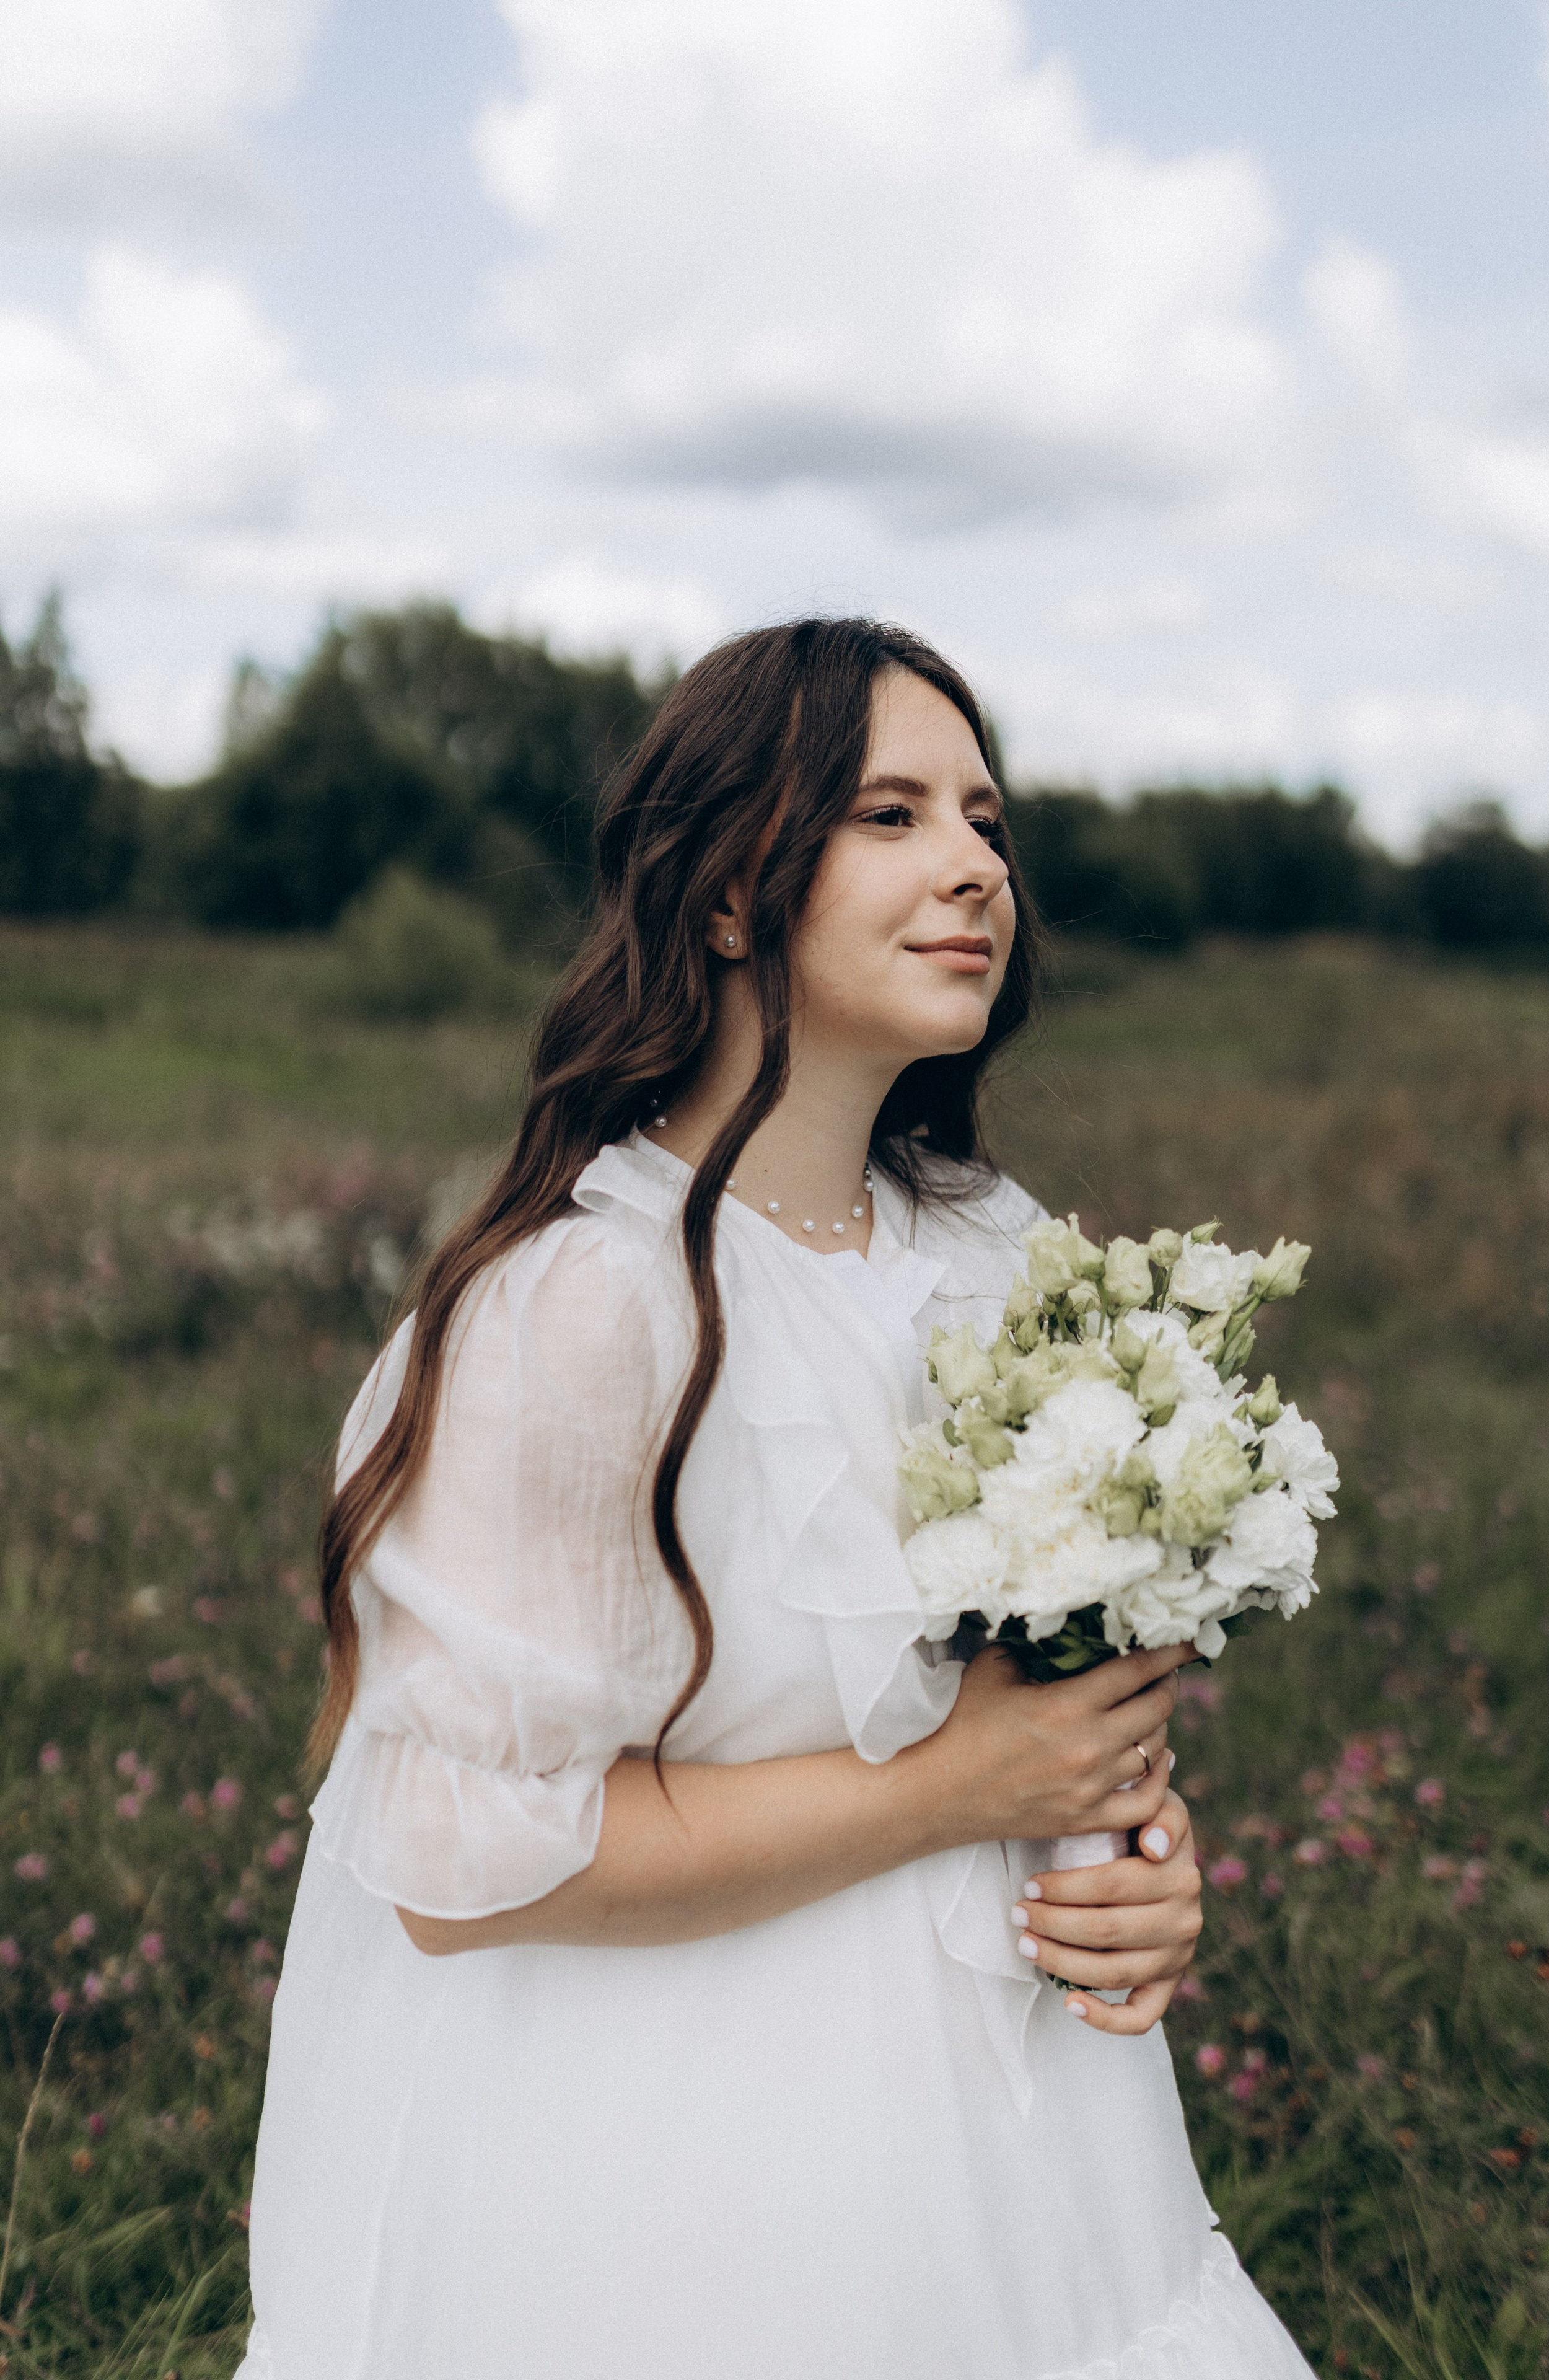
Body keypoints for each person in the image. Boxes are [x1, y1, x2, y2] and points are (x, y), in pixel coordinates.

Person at [235, 620, 1311, 2379]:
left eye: (987, 821)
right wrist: (958, 1789)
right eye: (889, 814)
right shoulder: (585, 1307)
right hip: (685, 2160)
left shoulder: (995, 1251)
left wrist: (1133, 1853)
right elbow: (463, 1864)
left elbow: (1038, 1706)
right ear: (731, 895)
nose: (977, 865)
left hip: (1022, 2128)